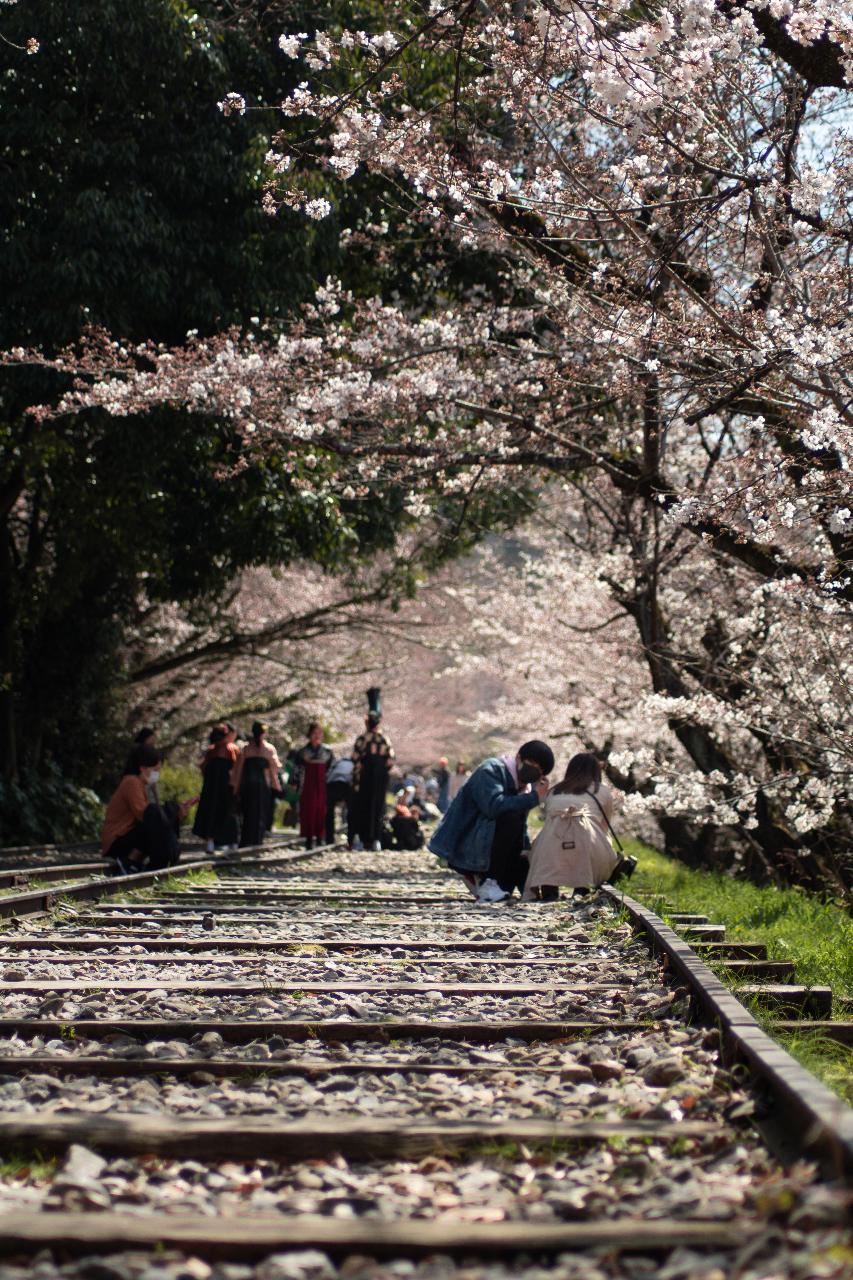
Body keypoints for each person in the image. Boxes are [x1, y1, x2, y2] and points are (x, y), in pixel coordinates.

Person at [429, 740, 554, 901]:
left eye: (539, 770)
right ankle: (485, 880)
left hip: (489, 848)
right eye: (532, 764)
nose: (534, 771)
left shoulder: (524, 788)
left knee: (522, 852)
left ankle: (494, 884)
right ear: (518, 758)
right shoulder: (491, 770)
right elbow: (494, 806)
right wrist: (534, 797)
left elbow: (519, 832)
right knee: (511, 816)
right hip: (468, 844)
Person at [523, 753, 635, 900]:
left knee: (550, 843)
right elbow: (604, 828)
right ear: (596, 771)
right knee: (590, 844)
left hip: (550, 850)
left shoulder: (553, 791)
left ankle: (549, 888)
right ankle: (582, 889)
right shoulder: (602, 791)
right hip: (589, 848)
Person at [102, 745, 193, 874]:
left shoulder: (138, 783)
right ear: (143, 768)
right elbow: (144, 815)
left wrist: (176, 812)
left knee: (158, 818)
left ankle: (135, 861)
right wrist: (172, 812)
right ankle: (130, 861)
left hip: (124, 836)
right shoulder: (132, 782)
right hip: (116, 840)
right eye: (155, 770)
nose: (157, 774)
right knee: (154, 818)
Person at [351, 687, 395, 852]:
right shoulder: (383, 739)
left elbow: (355, 757)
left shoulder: (363, 739)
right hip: (376, 777)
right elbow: (391, 760)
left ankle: (367, 839)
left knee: (365, 806)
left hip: (367, 776)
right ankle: (373, 839)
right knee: (375, 807)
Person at [231, 721, 283, 848]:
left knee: (247, 813)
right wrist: (276, 785)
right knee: (261, 813)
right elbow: (275, 768)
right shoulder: (269, 749)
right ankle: (257, 840)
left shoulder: (245, 749)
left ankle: (246, 840)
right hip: (262, 786)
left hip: (247, 786)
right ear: (264, 733)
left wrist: (234, 787)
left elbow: (237, 771)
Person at [193, 723, 240, 853]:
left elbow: (203, 768)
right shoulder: (232, 749)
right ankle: (232, 843)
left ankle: (210, 842)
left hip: (210, 789)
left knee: (210, 812)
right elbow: (236, 769)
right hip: (226, 788)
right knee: (228, 813)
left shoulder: (211, 751)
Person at [293, 722, 335, 849]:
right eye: (314, 733)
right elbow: (297, 769)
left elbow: (332, 768)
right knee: (309, 810)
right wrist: (295, 782)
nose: (317, 736)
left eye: (319, 733)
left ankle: (320, 837)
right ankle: (309, 838)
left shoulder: (327, 751)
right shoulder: (303, 752)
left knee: (321, 811)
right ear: (309, 735)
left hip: (322, 784)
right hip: (308, 784)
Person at [326, 754, 354, 846]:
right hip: (346, 786)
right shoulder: (353, 763)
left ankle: (329, 838)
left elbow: (327, 775)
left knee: (329, 813)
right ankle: (351, 838)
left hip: (332, 785)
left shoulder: (337, 763)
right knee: (351, 813)